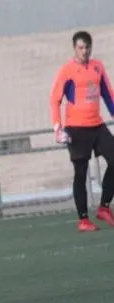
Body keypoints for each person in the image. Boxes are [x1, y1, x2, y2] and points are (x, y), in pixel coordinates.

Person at [50, 30, 114, 232]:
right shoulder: (67, 71)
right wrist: (58, 127)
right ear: (74, 48)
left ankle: (104, 207)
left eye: (87, 47)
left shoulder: (97, 67)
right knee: (81, 172)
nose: (84, 51)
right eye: (81, 48)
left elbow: (108, 94)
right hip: (76, 128)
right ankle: (83, 219)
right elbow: (54, 100)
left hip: (97, 125)